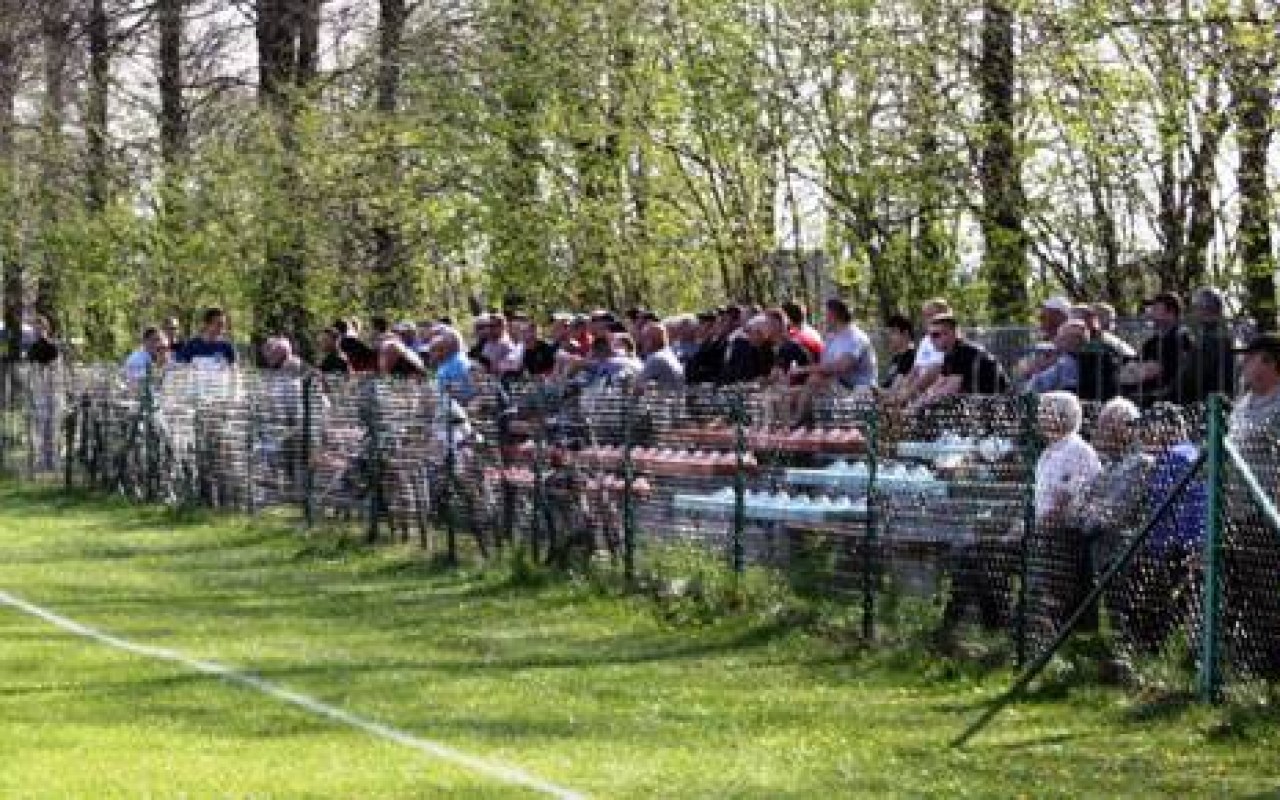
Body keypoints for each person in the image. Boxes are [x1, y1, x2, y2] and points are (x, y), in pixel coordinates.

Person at [1224, 333, 1280, 677]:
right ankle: (1237, 659)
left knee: (1264, 589)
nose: (1243, 362)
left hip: (1265, 512)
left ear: (1270, 362)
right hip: (1234, 511)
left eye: (1251, 356)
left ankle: (1267, 663)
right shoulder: (1243, 402)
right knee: (1236, 586)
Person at [1029, 391, 1102, 636]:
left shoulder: (1077, 450)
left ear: (1063, 416)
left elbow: (1066, 497)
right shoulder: (1048, 452)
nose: (1039, 418)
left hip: (1067, 533)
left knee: (1053, 588)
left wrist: (1040, 528)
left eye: (1045, 412)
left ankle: (1054, 635)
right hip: (1045, 530)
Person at [912, 314, 1009, 408]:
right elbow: (940, 382)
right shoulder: (950, 353)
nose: (931, 340)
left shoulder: (964, 351)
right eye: (930, 335)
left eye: (935, 335)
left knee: (935, 407)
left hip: (997, 404)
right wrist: (924, 397)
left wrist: (924, 402)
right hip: (982, 401)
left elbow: (950, 389)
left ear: (952, 333)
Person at [1121, 292, 1192, 404]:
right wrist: (1136, 369)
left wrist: (1136, 370)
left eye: (1156, 309)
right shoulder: (1152, 341)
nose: (1151, 314)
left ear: (1171, 314)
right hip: (1143, 394)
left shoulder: (1179, 339)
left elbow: (1150, 372)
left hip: (1164, 400)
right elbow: (1126, 371)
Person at [793, 298, 876, 389]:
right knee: (809, 382)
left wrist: (803, 369)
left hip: (859, 388)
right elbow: (824, 365)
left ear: (833, 315)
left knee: (816, 381)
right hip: (838, 385)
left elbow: (841, 367)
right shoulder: (832, 337)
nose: (824, 319)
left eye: (825, 314)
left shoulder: (855, 337)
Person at [1181, 286, 1237, 402]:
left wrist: (1164, 394)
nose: (1193, 312)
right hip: (1218, 398)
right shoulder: (1222, 333)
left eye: (1195, 307)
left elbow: (1191, 377)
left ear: (1204, 309)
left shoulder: (1212, 338)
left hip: (1208, 402)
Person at [635, 322, 685, 391]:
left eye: (644, 338)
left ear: (650, 340)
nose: (641, 342)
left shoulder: (656, 358)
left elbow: (638, 387)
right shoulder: (669, 354)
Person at [881, 313, 915, 390]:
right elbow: (887, 384)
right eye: (888, 333)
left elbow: (895, 389)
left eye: (893, 332)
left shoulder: (911, 357)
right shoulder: (897, 357)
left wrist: (873, 390)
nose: (888, 337)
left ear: (905, 334)